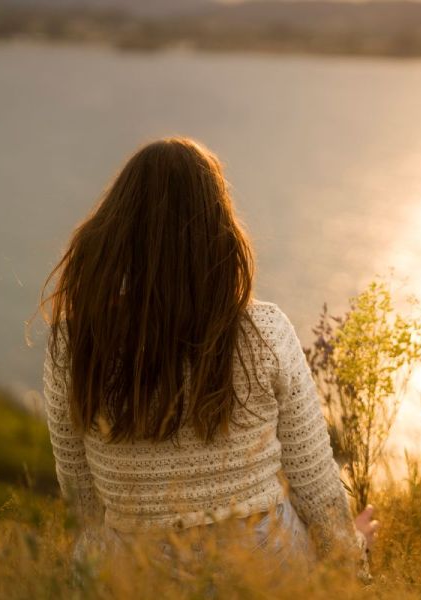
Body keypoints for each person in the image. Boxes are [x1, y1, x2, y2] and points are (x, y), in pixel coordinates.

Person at [38, 137, 378, 585]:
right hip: (264, 570)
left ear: (117, 231)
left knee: (90, 553)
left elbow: (81, 497)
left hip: (137, 575)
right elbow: (314, 480)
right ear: (218, 231)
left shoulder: (73, 343)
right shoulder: (265, 331)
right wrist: (349, 556)